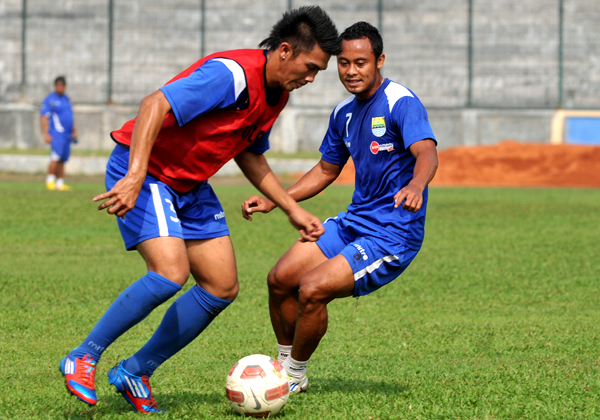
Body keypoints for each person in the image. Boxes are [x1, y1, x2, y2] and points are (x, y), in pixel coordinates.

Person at [59, 6, 340, 413]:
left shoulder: (276, 94)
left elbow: (250, 154)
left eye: (318, 72)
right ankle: (83, 356)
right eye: (310, 67)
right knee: (170, 273)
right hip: (149, 171)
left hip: (189, 184)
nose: (311, 78)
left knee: (221, 286)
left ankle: (136, 370)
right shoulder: (231, 75)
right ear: (284, 51)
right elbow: (154, 104)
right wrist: (136, 174)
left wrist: (290, 207)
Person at [241, 21, 439, 394]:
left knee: (312, 288)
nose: (351, 71)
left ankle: (294, 375)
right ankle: (284, 367)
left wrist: (416, 184)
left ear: (379, 61)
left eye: (361, 62)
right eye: (344, 63)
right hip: (355, 222)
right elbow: (326, 170)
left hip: (393, 234)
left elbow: (426, 151)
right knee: (280, 279)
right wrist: (274, 199)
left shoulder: (401, 101)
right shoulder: (343, 113)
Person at [41, 76, 78, 191]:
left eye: (62, 86)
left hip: (67, 134)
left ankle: (60, 183)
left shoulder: (66, 99)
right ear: (55, 86)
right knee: (55, 157)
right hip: (57, 133)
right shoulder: (50, 99)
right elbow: (44, 116)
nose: (60, 88)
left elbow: (69, 116)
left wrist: (74, 130)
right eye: (58, 85)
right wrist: (46, 133)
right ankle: (50, 180)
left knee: (63, 158)